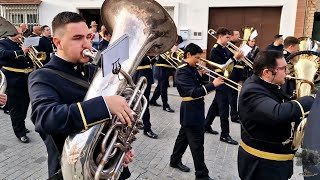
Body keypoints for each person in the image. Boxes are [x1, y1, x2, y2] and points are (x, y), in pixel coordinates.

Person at [28, 11, 134, 179]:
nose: (87, 44)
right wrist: (104, 104)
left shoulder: (94, 71)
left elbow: (109, 121)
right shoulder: (43, 76)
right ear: (58, 42)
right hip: (73, 171)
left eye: (88, 37)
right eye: (78, 38)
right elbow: (45, 118)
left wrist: (121, 147)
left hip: (107, 165)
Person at [237, 50, 314, 180]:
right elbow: (277, 113)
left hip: (274, 162)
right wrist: (310, 100)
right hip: (261, 165)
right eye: (283, 69)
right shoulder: (252, 90)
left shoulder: (270, 84)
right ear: (267, 72)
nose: (288, 72)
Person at [169, 43, 224, 180]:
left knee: (183, 138)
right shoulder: (182, 71)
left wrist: (204, 77)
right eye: (197, 58)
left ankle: (174, 160)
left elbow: (198, 85)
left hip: (194, 110)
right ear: (188, 55)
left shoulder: (191, 69)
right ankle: (201, 175)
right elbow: (193, 92)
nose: (199, 61)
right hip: (191, 111)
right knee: (197, 145)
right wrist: (213, 85)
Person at [204, 27, 243, 145]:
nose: (229, 39)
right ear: (220, 37)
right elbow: (222, 66)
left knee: (215, 105)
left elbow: (230, 65)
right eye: (227, 37)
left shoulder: (225, 49)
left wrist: (237, 59)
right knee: (224, 108)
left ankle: (206, 125)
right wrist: (235, 58)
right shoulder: (215, 50)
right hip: (220, 80)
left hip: (226, 79)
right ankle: (225, 135)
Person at [0, 26, 32, 143]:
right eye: (18, 34)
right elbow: (2, 54)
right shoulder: (3, 43)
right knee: (16, 107)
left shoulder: (20, 43)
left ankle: (21, 125)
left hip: (26, 78)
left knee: (25, 104)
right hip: (13, 79)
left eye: (21, 33)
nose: (21, 36)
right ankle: (20, 132)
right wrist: (21, 52)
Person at [132, 56, 158, 139]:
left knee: (145, 103)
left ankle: (146, 128)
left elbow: (151, 62)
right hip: (138, 76)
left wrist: (155, 56)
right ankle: (139, 125)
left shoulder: (150, 51)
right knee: (136, 102)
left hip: (147, 75)